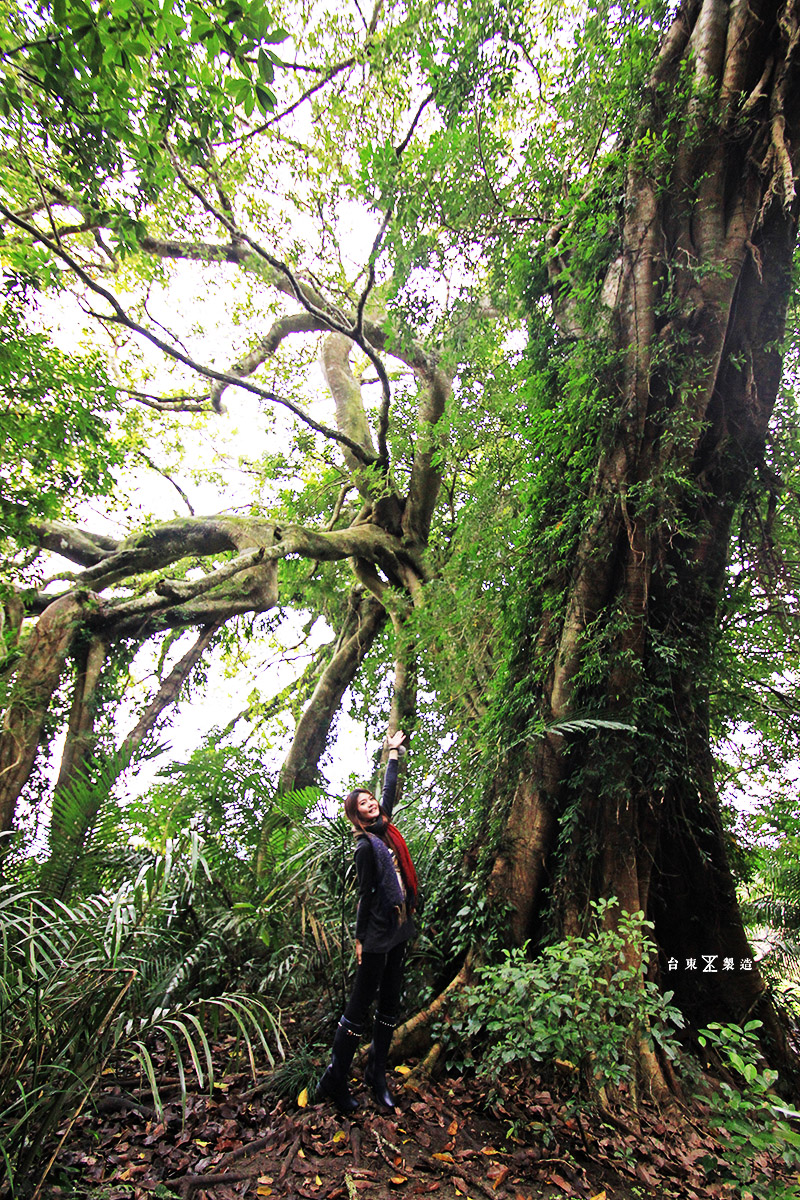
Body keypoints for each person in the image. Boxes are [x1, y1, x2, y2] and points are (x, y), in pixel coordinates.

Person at [316, 729, 418, 1112]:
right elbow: (365, 896)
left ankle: (378, 1075)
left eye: (371, 799)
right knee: (359, 1009)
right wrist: (359, 939)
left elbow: (389, 790)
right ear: (355, 814)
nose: (372, 803)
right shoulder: (365, 846)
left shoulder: (387, 829)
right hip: (376, 936)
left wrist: (393, 753)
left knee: (390, 1005)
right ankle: (335, 1079)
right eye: (363, 803)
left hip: (399, 929)